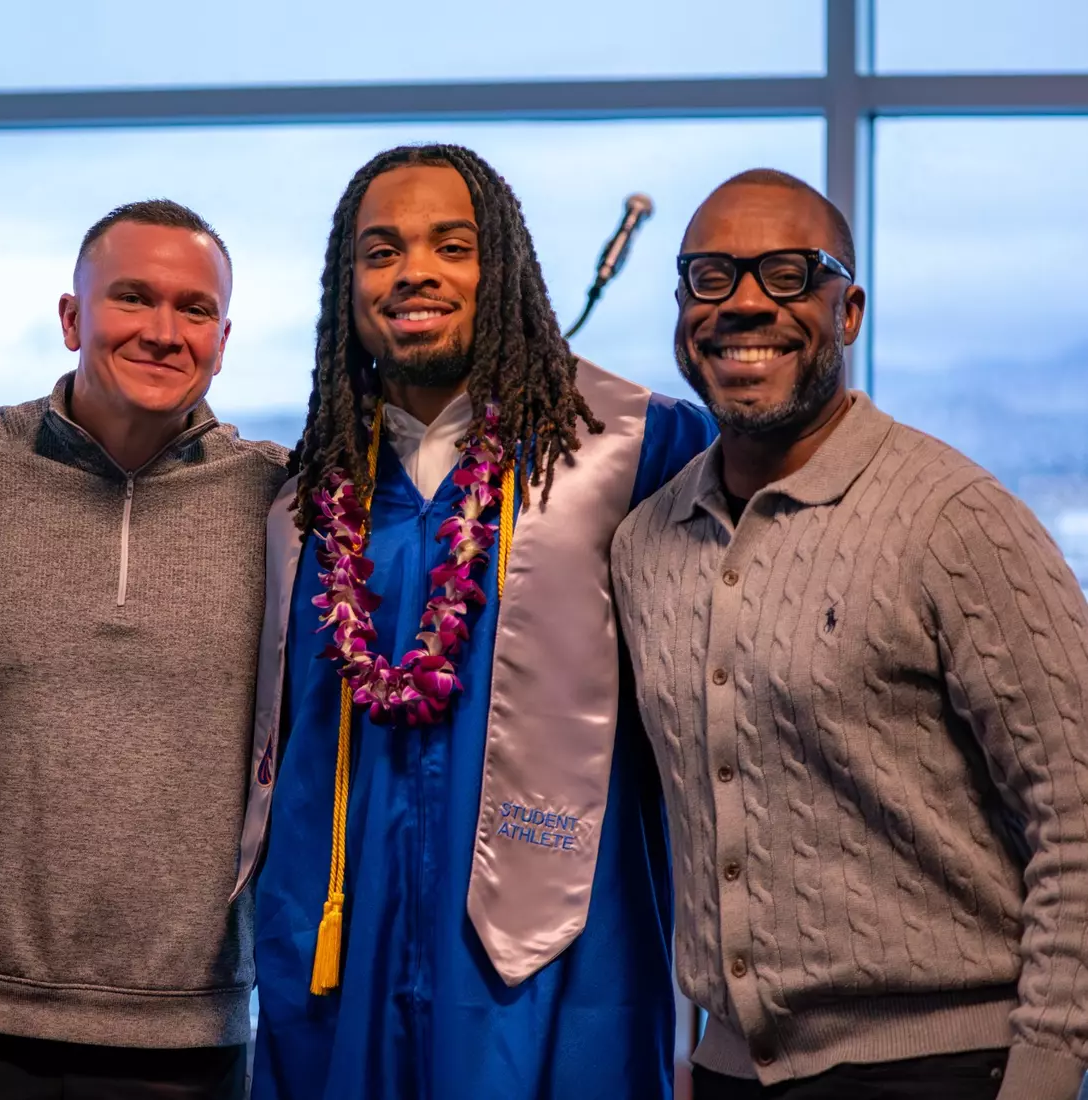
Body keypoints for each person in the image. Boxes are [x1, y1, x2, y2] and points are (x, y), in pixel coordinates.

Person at [239, 143, 714, 1099]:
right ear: (347, 284)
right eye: (381, 252)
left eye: (451, 246)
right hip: (339, 944)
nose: (414, 271)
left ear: (501, 270)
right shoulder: (305, 497)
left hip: (561, 952)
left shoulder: (632, 448)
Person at [612, 168, 1088, 1100]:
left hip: (949, 1071)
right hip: (729, 1072)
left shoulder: (956, 522)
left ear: (850, 310)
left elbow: (1076, 818)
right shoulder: (645, 544)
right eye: (711, 277)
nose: (745, 303)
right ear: (681, 312)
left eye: (788, 274)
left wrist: (1044, 1073)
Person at [0, 199, 287, 1100]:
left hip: (191, 1032)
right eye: (132, 299)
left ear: (223, 337)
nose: (163, 331)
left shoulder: (283, 503)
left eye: (194, 309)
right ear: (71, 318)